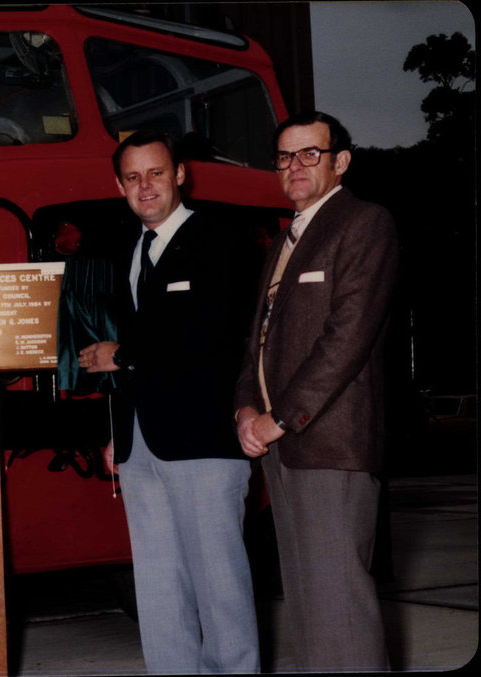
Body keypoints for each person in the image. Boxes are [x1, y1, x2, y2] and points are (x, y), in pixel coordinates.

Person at [79, 130, 260, 673]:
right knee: (158, 589)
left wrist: (123, 354)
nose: (145, 186)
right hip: (142, 448)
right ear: (119, 185)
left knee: (220, 588)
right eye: (132, 177)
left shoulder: (222, 240)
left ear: (180, 174)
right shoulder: (130, 249)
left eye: (156, 173)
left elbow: (214, 336)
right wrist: (121, 427)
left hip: (204, 441)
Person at [234, 111, 398, 670]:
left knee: (339, 607)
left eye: (310, 154)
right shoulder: (284, 239)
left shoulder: (363, 223)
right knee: (306, 607)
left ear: (340, 162)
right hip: (282, 448)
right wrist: (245, 408)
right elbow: (257, 340)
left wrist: (280, 417)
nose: (295, 166)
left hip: (328, 442)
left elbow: (347, 338)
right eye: (284, 156)